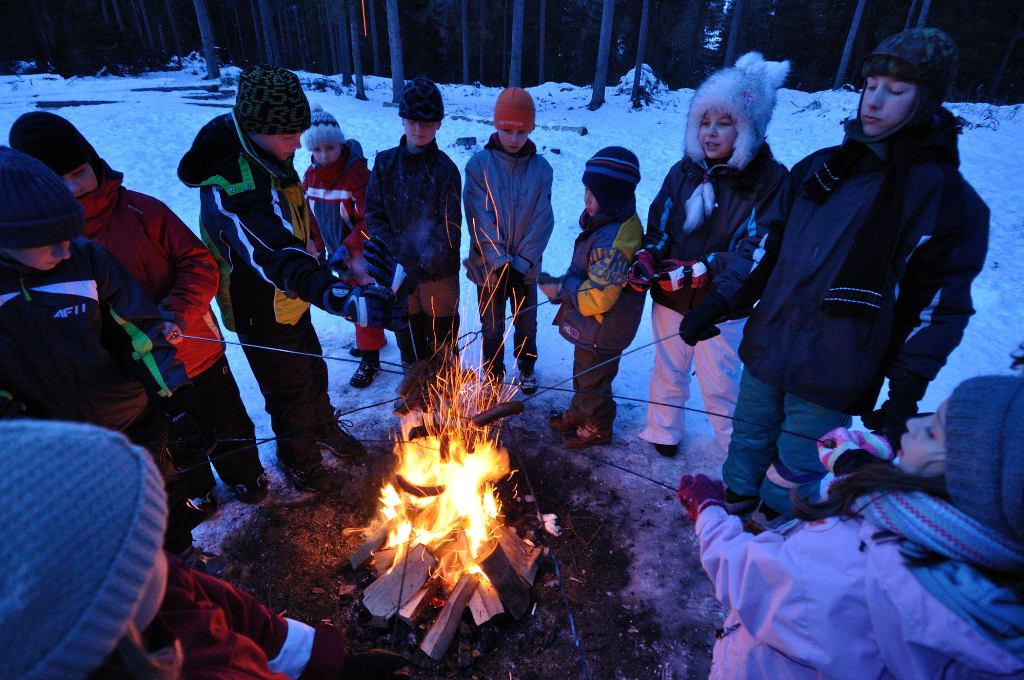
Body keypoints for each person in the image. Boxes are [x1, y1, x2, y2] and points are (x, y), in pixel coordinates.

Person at [679, 28, 989, 521]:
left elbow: (935, 310)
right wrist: (720, 302)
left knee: (798, 466)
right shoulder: (821, 170)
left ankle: (777, 538)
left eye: (896, 90)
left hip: (835, 368)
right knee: (749, 436)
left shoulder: (945, 201)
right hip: (768, 346)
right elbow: (765, 249)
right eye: (871, 86)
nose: (875, 101)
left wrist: (904, 396)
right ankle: (732, 513)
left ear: (926, 98)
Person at [0, 418, 410, 679]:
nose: (161, 556)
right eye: (141, 543)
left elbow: (238, 614)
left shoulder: (157, 584)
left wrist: (326, 663)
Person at [676, 374, 1024, 677]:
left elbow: (750, 580)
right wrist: (855, 465)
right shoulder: (993, 566)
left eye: (933, 432)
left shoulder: (859, 553)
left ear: (969, 483)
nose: (912, 425)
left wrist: (708, 513)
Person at [9, 111, 268, 506]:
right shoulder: (47, 252)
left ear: (94, 162)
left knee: (225, 419)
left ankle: (245, 474)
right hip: (140, 379)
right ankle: (197, 489)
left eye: (78, 172)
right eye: (58, 181)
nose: (73, 187)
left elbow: (199, 263)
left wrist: (176, 312)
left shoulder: (142, 211)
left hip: (195, 350)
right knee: (174, 439)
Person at [178, 64, 407, 493]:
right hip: (259, 304)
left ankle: (321, 427)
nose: (298, 145)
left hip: (291, 298)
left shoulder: (266, 153)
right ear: (258, 127)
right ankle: (299, 458)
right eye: (290, 136)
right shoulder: (234, 184)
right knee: (288, 387)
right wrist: (339, 296)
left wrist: (324, 253)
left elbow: (294, 221)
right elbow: (275, 253)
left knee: (311, 370)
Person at [0, 145, 215, 567]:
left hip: (130, 415)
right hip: (53, 441)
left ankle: (182, 562)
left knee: (159, 494)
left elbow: (139, 333)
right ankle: (130, 582)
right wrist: (20, 431)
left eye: (70, 236)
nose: (66, 250)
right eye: (52, 243)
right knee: (99, 521)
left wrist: (176, 398)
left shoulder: (87, 260)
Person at [629, 53, 790, 458]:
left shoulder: (768, 181)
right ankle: (663, 429)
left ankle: (736, 449)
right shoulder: (683, 172)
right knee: (668, 369)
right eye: (704, 122)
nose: (711, 133)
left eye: (724, 122)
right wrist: (648, 256)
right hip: (672, 296)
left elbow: (758, 248)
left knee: (720, 381)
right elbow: (660, 226)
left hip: (723, 306)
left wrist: (711, 273)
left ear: (747, 128)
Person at [541, 147, 645, 449]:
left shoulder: (612, 243)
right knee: (583, 372)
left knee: (594, 381)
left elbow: (597, 298)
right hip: (593, 327)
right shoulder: (606, 222)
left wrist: (563, 288)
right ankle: (580, 410)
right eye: (585, 190)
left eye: (593, 193)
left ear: (611, 198)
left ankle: (598, 426)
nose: (586, 199)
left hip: (604, 325)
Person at [366, 76, 462, 372]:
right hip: (396, 272)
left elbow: (450, 229)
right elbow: (373, 215)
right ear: (402, 120)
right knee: (408, 334)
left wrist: (419, 267)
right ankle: (413, 383)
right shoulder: (385, 164)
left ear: (439, 124)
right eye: (413, 121)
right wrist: (398, 258)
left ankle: (445, 387)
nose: (419, 129)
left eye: (427, 123)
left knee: (442, 339)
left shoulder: (446, 170)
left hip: (438, 275)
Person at [463, 87, 554, 392]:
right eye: (507, 130)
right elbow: (479, 217)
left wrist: (520, 263)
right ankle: (493, 371)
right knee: (492, 325)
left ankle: (526, 365)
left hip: (525, 268)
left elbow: (543, 220)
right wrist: (500, 262)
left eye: (521, 132)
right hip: (488, 268)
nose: (514, 138)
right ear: (496, 126)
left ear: (531, 129)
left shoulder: (542, 170)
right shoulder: (478, 166)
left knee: (526, 322)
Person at [302, 104, 387, 389]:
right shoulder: (310, 177)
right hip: (335, 250)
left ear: (340, 143)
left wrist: (350, 248)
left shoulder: (356, 175)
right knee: (348, 298)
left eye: (330, 147)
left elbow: (370, 219)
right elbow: (309, 214)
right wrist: (317, 247)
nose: (324, 154)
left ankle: (371, 359)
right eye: (318, 149)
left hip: (361, 251)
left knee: (362, 300)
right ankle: (371, 340)